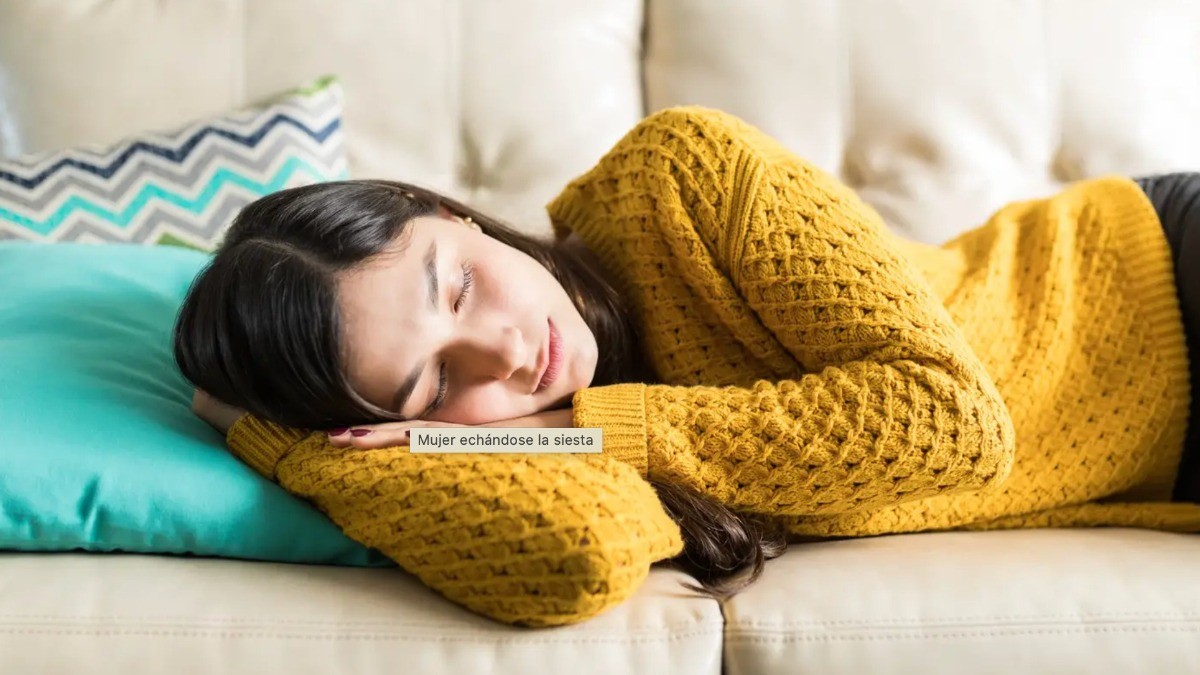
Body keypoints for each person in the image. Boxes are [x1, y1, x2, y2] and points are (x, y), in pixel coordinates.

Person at [174, 107, 1200, 628]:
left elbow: (955, 426)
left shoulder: (679, 179)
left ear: (449, 213)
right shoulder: (542, 449)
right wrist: (303, 452)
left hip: (1153, 278)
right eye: (434, 385)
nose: (507, 354)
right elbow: (576, 559)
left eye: (460, 288)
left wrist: (584, 424)